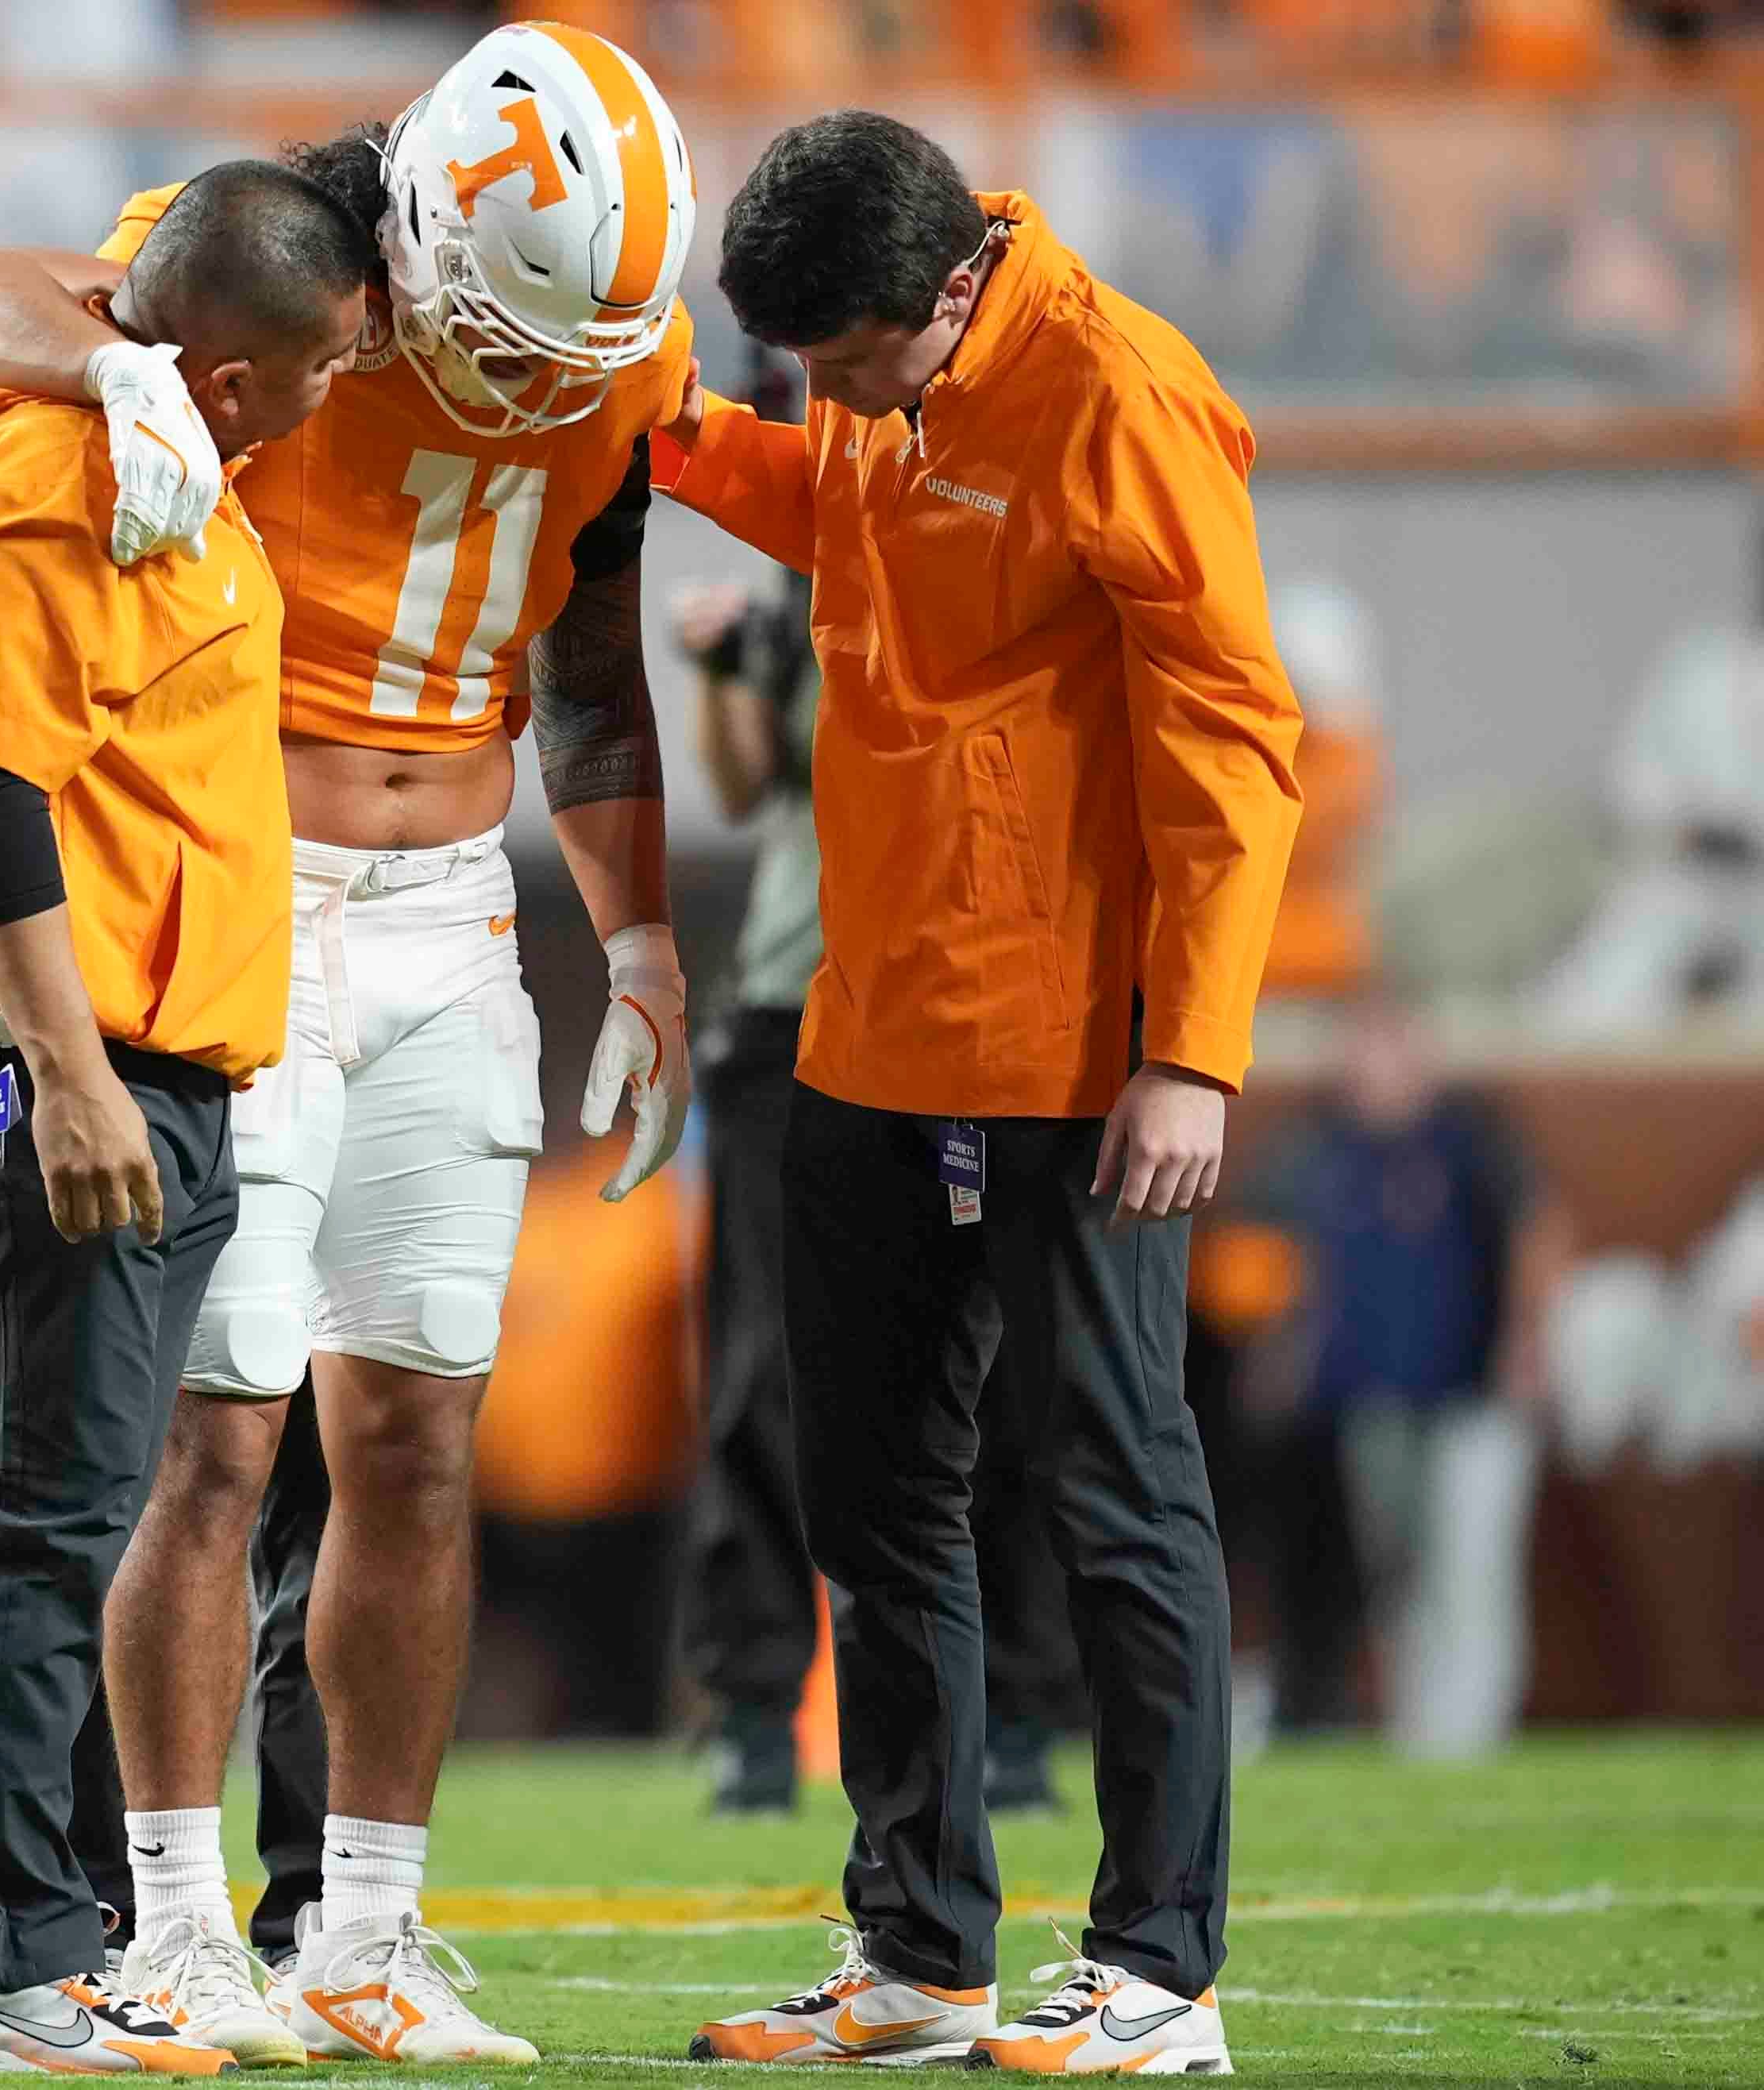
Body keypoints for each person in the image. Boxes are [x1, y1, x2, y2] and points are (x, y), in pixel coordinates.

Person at [0, 23, 697, 2060]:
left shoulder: (610, 353)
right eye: (503, 329)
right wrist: (115, 372)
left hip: (461, 915)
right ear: (418, 233)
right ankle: (163, 1923)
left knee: (418, 1434)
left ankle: (360, 1931)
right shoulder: (261, 260)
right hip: (251, 905)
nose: (538, 385)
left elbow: (591, 663)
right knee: (212, 1434)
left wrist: (644, 943)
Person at [654, 113, 1301, 2073]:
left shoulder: (1120, 393)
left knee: (1113, 1496)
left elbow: (1234, 733)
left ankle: (1159, 1976)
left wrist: (1188, 1050)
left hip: (1078, 1043)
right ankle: (922, 1953)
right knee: (868, 1500)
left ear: (944, 292)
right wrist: (675, 436)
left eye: (840, 364)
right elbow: (854, 515)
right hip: (872, 1028)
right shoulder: (896, 364)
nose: (825, 400)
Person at [0, 158, 369, 2077]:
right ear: (223, 379)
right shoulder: (56, 483)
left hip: (142, 1049)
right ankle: (17, 1976)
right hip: (43, 1053)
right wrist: (60, 1073)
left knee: (33, 1512)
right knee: (44, 1524)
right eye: (312, 372)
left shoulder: (157, 432)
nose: (331, 400)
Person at [668, 439, 1082, 1818]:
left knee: (994, 1359)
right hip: (796, 1011)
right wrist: (726, 667)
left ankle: (1015, 1700)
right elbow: (741, 789)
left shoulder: (1000, 551)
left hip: (960, 1014)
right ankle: (750, 1699)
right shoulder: (806, 580)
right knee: (760, 1362)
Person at [1257, 991, 1562, 1761]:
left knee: (1471, 1562)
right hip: (1371, 1399)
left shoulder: (1470, 1138)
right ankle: (1418, 1731)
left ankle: (1472, 1733)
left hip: (1473, 1395)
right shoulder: (1319, 1150)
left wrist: (1526, 1338)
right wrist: (1286, 1342)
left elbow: (1540, 1227)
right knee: (1396, 1569)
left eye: (1389, 1046)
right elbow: (1272, 1252)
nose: (1373, 1066)